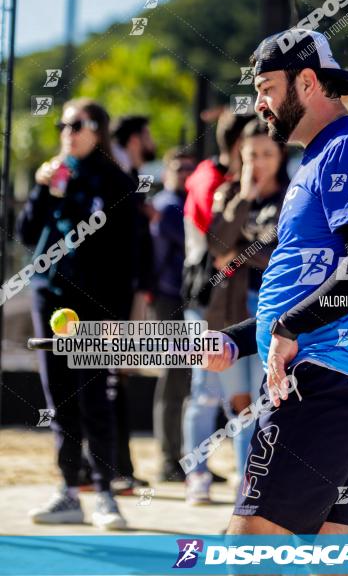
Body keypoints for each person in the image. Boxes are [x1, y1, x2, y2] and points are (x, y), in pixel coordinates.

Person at [203, 29, 348, 537]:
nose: (259, 104)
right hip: (327, 376)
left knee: (245, 549)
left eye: (267, 87)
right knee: (329, 553)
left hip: (320, 382)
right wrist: (240, 337)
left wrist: (289, 327)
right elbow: (308, 280)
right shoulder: (319, 156)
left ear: (308, 81)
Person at [18, 99, 138, 529]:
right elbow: (27, 234)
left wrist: (117, 317)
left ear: (97, 129)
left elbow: (129, 256)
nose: (68, 130)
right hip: (50, 299)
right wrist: (41, 189)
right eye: (62, 123)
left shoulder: (116, 182)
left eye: (78, 124)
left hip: (95, 306)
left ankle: (105, 493)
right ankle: (68, 491)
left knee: (94, 401)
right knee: (60, 400)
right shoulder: (55, 175)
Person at [206, 118, 289, 478]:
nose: (259, 162)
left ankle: (255, 483)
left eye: (267, 154)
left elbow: (281, 256)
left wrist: (238, 254)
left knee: (264, 399)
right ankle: (245, 481)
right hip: (231, 308)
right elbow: (216, 248)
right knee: (239, 403)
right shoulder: (228, 195)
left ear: (281, 155)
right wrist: (243, 197)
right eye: (252, 154)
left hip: (273, 307)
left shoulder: (291, 195)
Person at [181, 109, 252, 503]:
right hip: (206, 300)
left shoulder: (255, 182)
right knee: (207, 389)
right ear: (237, 144)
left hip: (242, 301)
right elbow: (221, 251)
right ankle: (198, 474)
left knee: (243, 397)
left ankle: (246, 479)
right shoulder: (210, 180)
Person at [110, 114, 157, 492]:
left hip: (129, 293)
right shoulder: (115, 176)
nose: (152, 138)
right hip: (114, 295)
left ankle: (117, 466)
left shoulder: (131, 179)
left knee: (117, 378)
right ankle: (111, 468)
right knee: (109, 377)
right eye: (147, 133)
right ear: (134, 139)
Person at [149, 148, 196, 481]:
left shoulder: (188, 204)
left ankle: (184, 457)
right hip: (169, 300)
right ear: (167, 173)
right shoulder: (168, 206)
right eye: (177, 168)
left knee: (189, 380)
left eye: (189, 169)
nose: (183, 173)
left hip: (187, 300)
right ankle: (169, 461)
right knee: (174, 377)